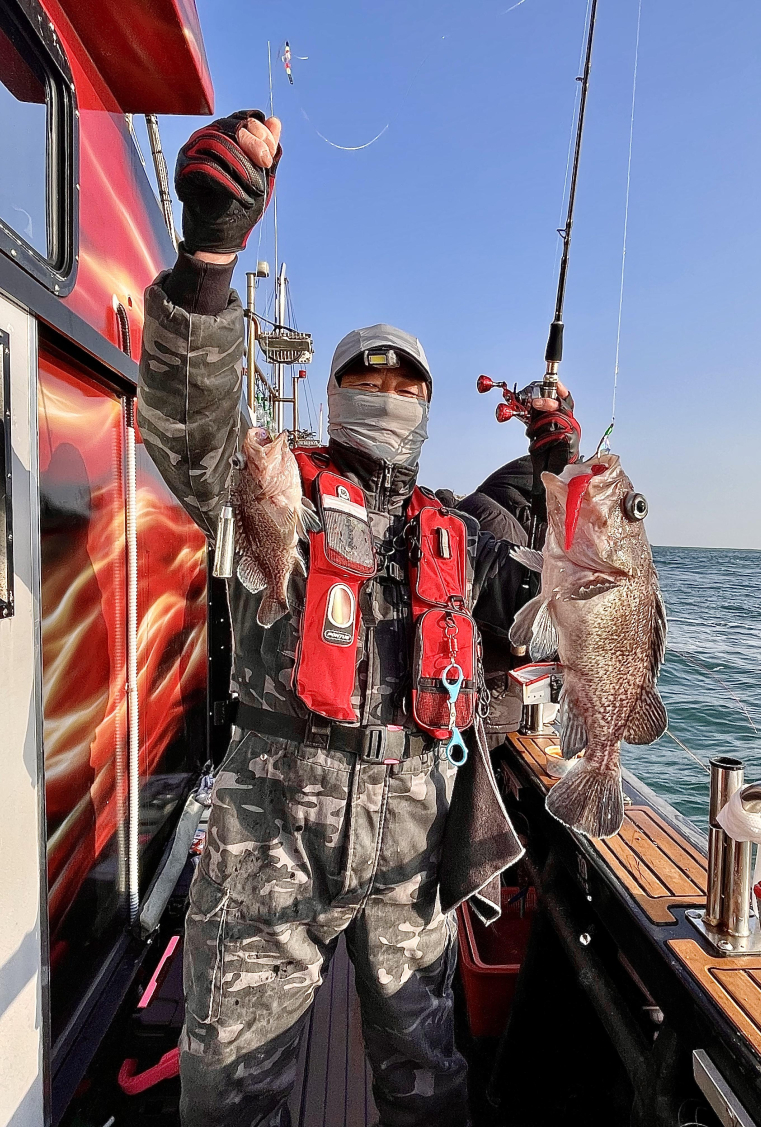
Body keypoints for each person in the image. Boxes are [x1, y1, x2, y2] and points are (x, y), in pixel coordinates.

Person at [137, 110, 581, 1127]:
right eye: (364, 375)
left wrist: (557, 458)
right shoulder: (272, 480)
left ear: (425, 405)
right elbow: (190, 423)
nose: (383, 390)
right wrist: (208, 263)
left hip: (412, 833)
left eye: (402, 379)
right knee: (230, 1089)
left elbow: (553, 563)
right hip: (265, 830)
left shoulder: (456, 529)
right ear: (333, 393)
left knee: (427, 1079)